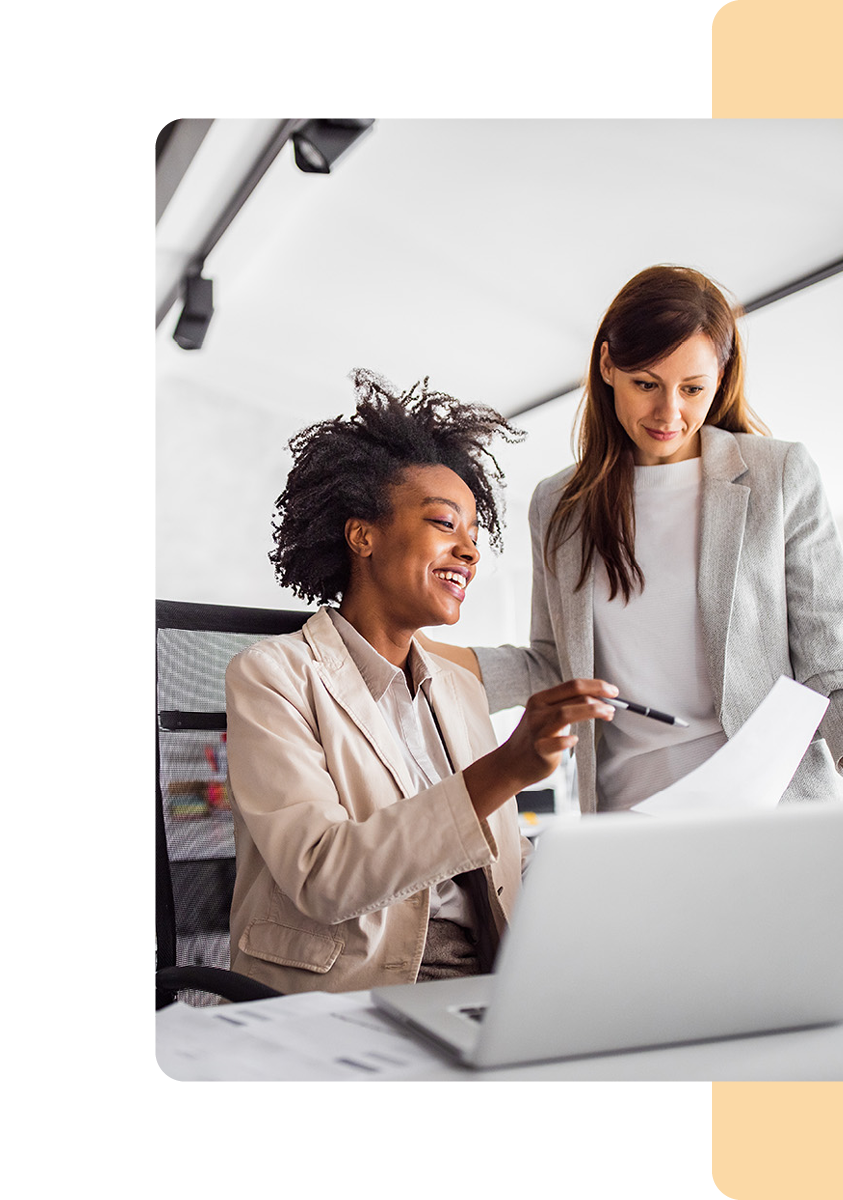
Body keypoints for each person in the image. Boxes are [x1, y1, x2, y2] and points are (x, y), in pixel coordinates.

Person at [420, 264, 843, 819]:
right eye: (646, 384)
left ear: (721, 376)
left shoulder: (779, 476)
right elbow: (554, 665)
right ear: (608, 364)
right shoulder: (559, 505)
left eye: (692, 389)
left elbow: (836, 663)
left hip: (778, 813)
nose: (669, 413)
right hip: (632, 821)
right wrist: (402, 650)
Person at [226, 369, 618, 995]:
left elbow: (503, 862)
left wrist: (613, 869)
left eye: (472, 533)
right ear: (363, 536)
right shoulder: (273, 677)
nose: (470, 551)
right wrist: (508, 768)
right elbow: (323, 877)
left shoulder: (457, 687)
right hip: (355, 991)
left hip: (487, 980)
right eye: (444, 524)